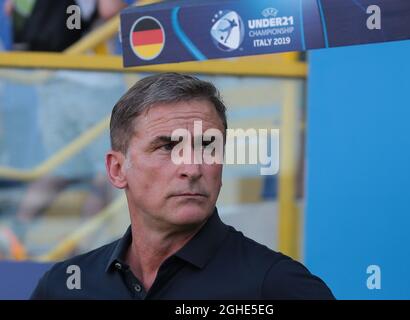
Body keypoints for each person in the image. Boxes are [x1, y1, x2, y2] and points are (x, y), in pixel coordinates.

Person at [30, 73, 334, 299]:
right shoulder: (64, 287)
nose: (192, 168)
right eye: (167, 147)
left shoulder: (277, 286)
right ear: (117, 169)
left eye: (207, 146)